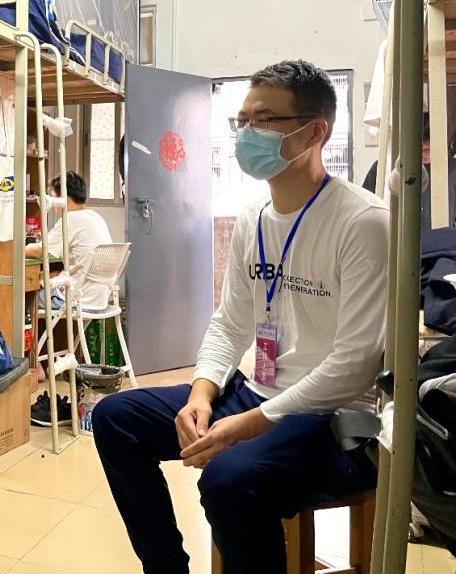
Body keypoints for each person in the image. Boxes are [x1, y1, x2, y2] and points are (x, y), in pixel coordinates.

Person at [92, 60, 387, 574]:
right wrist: (201, 395)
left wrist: (247, 426)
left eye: (265, 120)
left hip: (334, 419)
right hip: (259, 393)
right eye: (242, 120)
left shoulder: (363, 222)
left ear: (315, 132)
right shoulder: (255, 217)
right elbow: (230, 323)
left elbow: (354, 365)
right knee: (117, 419)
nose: (248, 133)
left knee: (228, 478)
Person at [25, 171, 113, 424]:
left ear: (61, 198)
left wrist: (18, 246)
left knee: (24, 293)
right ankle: (44, 362)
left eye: (51, 195)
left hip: (78, 300)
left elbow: (42, 250)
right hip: (100, 298)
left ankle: (33, 366)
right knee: (45, 283)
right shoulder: (95, 217)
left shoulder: (70, 220)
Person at [361, 111, 456, 229]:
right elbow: (365, 207)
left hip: (442, 237)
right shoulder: (383, 168)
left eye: (426, 150)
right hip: (396, 235)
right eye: (416, 149)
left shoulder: (452, 170)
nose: (421, 155)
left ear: (439, 144)